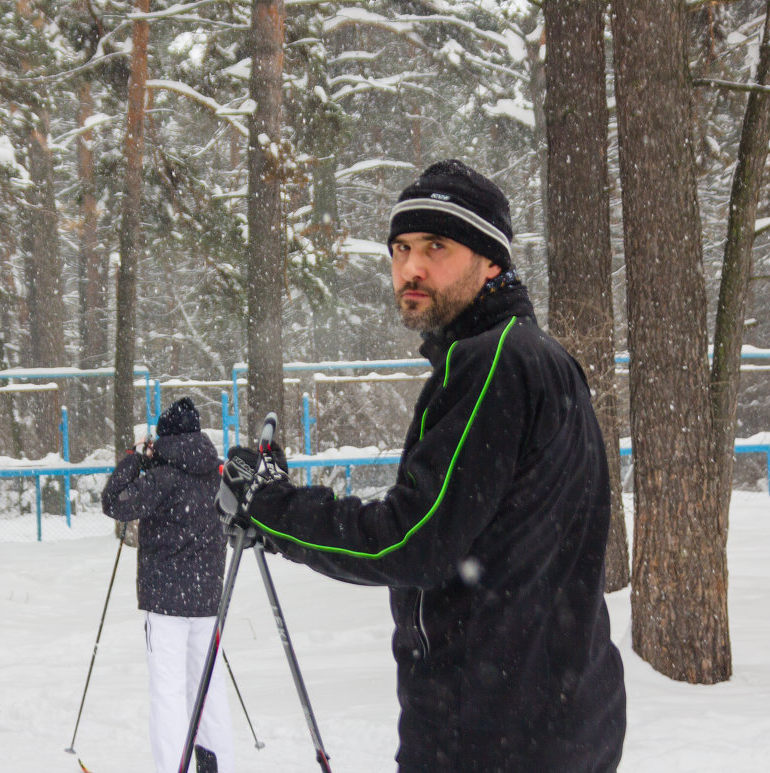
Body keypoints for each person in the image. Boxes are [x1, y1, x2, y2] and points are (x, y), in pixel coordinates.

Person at [218, 160, 626, 771]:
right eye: (401, 248)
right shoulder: (542, 358)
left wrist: (270, 508)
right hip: (558, 718)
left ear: (491, 261)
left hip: (492, 733)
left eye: (437, 246)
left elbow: (410, 541)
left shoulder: (492, 364)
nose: (411, 268)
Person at [101, 397, 235, 773]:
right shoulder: (216, 474)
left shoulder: (161, 477)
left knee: (169, 694)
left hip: (166, 604)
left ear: (164, 436)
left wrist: (134, 460)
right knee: (208, 690)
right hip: (207, 599)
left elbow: (113, 502)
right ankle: (218, 766)